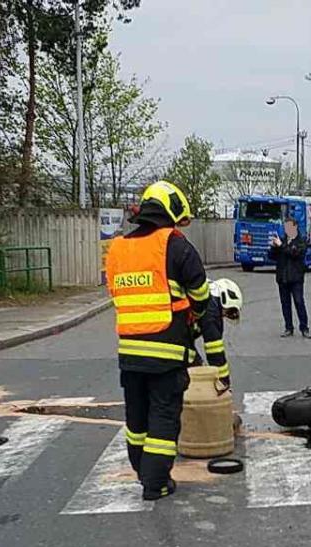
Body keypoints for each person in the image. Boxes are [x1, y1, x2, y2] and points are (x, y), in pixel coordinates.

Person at [104, 180, 210, 501]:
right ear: (171, 211)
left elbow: (116, 293)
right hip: (166, 352)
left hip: (130, 353)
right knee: (163, 417)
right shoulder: (175, 245)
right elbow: (202, 296)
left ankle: (142, 471)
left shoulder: (118, 248)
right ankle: (156, 483)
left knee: (136, 420)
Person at [189, 278, 243, 385]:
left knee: (197, 367)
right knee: (197, 376)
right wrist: (224, 381)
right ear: (224, 298)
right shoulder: (212, 308)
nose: (226, 315)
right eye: (230, 311)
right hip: (171, 339)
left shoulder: (204, 291)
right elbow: (215, 350)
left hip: (169, 333)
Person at [269, 217, 311, 338]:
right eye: (285, 227)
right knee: (285, 304)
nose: (287, 229)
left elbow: (294, 253)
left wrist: (281, 245)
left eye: (289, 227)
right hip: (283, 278)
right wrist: (273, 247)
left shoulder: (301, 241)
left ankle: (304, 328)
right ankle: (288, 328)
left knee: (299, 302)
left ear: (295, 227)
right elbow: (272, 257)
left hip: (296, 278)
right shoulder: (282, 240)